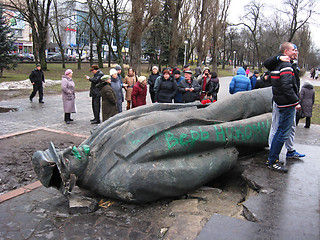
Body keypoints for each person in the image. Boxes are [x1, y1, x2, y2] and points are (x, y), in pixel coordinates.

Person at [265, 43, 305, 165]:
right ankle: (273, 155)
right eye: (294, 50)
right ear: (286, 51)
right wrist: (295, 101)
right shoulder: (283, 64)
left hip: (286, 101)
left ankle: (288, 150)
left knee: (288, 128)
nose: (296, 52)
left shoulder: (290, 64)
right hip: (285, 102)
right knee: (279, 129)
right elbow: (286, 86)